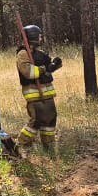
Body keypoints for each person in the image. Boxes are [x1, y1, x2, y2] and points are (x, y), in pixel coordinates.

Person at [15, 24, 62, 155]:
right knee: (36, 121)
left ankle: (49, 146)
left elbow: (48, 66)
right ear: (33, 37)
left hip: (47, 94)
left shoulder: (39, 54)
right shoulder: (23, 54)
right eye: (40, 36)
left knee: (50, 120)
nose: (41, 38)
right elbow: (28, 72)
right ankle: (22, 145)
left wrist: (54, 65)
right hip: (34, 95)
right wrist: (43, 69)